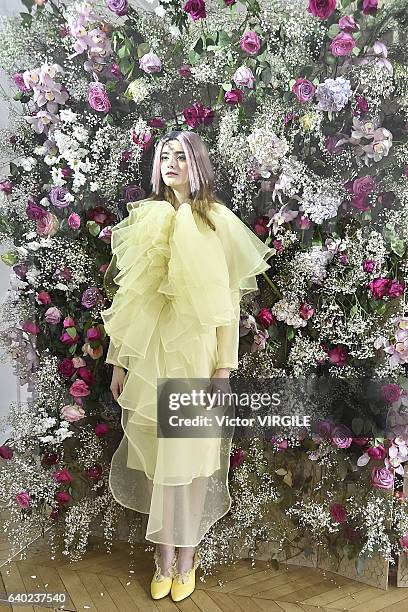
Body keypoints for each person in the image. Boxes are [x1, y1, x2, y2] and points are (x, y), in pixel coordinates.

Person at [100, 130, 274, 601]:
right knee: (161, 461)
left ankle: (188, 559)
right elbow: (131, 300)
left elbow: (228, 301)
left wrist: (224, 368)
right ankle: (163, 560)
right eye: (165, 156)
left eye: (181, 156)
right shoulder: (148, 218)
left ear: (198, 163)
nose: (171, 162)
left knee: (193, 461)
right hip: (154, 353)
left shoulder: (215, 220)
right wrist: (119, 363)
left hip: (196, 354)